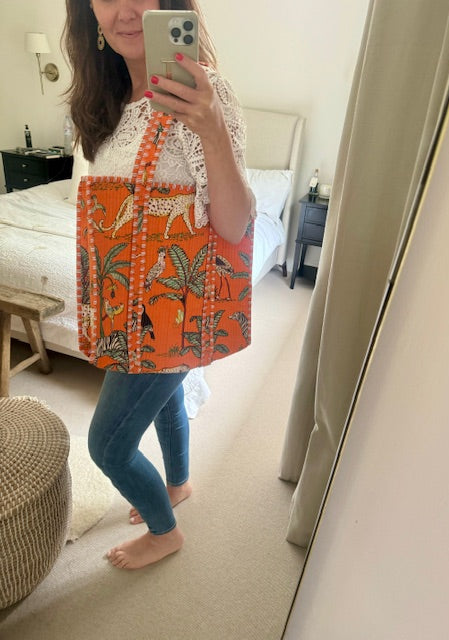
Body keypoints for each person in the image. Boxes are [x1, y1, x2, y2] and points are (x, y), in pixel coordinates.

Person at [63, 0, 253, 570]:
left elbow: (235, 224)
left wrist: (211, 129)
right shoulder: (107, 99)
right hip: (125, 301)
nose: (124, 10)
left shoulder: (205, 92)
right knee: (166, 394)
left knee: (107, 444)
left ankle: (165, 533)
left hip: (173, 304)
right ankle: (177, 484)